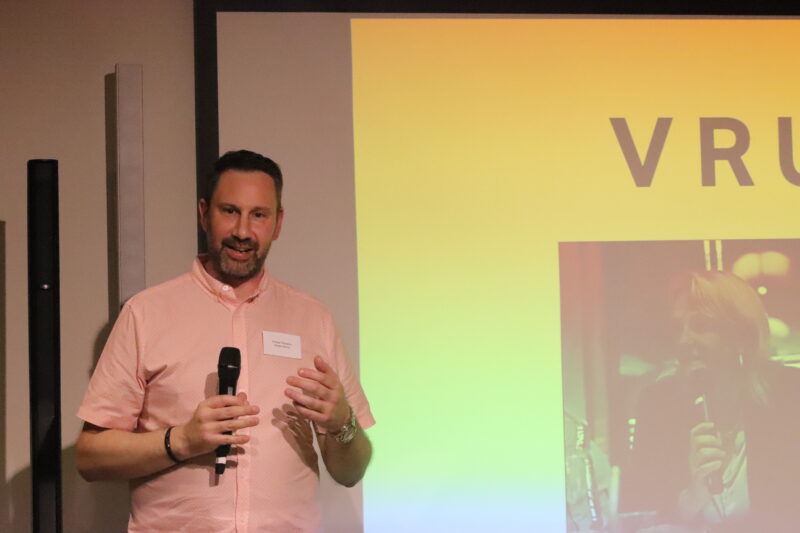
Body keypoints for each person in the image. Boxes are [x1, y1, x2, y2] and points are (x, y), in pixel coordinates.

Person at [76, 150, 374, 532]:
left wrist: (342, 423)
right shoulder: (145, 313)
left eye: (259, 215)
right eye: (229, 211)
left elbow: (351, 471)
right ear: (204, 213)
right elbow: (90, 457)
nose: (243, 231)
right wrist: (181, 440)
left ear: (278, 223)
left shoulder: (313, 319)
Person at [619, 270, 800, 533]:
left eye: (701, 326)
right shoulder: (658, 403)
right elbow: (641, 511)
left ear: (742, 336)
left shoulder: (789, 394)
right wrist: (691, 497)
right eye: (678, 328)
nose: (683, 340)